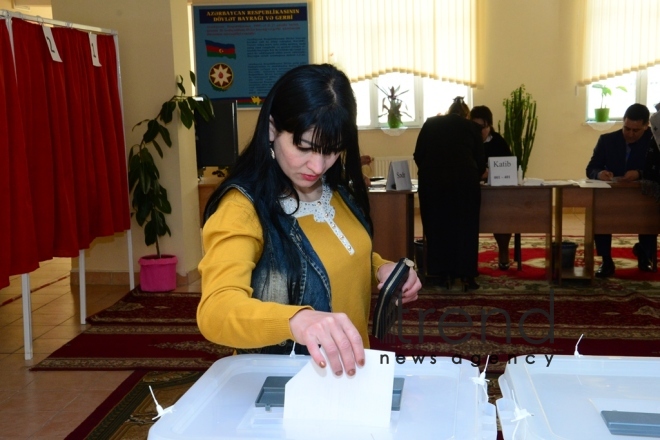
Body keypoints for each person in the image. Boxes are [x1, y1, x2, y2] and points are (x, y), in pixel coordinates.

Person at [197, 64, 421, 377]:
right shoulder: (242, 209)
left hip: (348, 375)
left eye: (331, 151)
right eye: (303, 147)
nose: (317, 165)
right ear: (272, 130)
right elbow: (216, 311)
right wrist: (295, 321)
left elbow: (338, 257)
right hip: (287, 386)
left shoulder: (335, 190)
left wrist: (380, 269)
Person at [414, 97, 486, 290]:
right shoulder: (472, 127)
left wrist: (432, 172)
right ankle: (467, 276)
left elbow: (418, 154)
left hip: (433, 182)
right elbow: (480, 160)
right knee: (466, 228)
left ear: (449, 111)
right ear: (465, 114)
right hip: (464, 181)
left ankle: (442, 274)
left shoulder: (430, 123)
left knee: (438, 226)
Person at [585, 103, 655, 277]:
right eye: (626, 128)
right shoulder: (607, 140)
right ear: (622, 122)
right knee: (600, 214)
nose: (630, 134)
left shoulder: (654, 142)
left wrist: (639, 174)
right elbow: (591, 168)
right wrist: (600, 173)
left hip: (642, 194)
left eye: (635, 130)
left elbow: (657, 170)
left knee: (650, 213)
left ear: (646, 127)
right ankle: (606, 261)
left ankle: (645, 255)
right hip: (612, 195)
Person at [470, 105, 513, 271]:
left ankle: (503, 251)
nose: (481, 131)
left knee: (501, 213)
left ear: (490, 126)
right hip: (471, 190)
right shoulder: (467, 142)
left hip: (495, 192)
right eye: (476, 127)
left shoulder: (498, 141)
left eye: (484, 127)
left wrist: (491, 172)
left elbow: (509, 166)